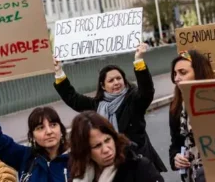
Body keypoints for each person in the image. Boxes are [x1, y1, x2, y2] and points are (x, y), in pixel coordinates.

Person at [53, 43, 167, 172]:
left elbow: (147, 91)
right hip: (111, 166)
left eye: (119, 78)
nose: (116, 82)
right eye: (111, 80)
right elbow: (72, 98)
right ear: (103, 86)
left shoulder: (134, 100)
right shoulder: (97, 105)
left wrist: (139, 60)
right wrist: (59, 72)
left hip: (138, 163)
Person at [0, 73, 69, 182]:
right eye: (40, 128)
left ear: (61, 130)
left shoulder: (77, 161)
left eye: (53, 125)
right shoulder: (25, 157)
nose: (49, 131)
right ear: (32, 135)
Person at [69, 110, 164, 182]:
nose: (106, 149)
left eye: (107, 140)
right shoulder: (79, 175)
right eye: (97, 146)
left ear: (114, 138)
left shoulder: (139, 167)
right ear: (85, 151)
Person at [169, 50, 215, 182]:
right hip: (193, 175)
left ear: (199, 72)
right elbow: (175, 143)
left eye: (183, 72)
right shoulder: (176, 106)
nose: (176, 78)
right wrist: (176, 157)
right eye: (175, 73)